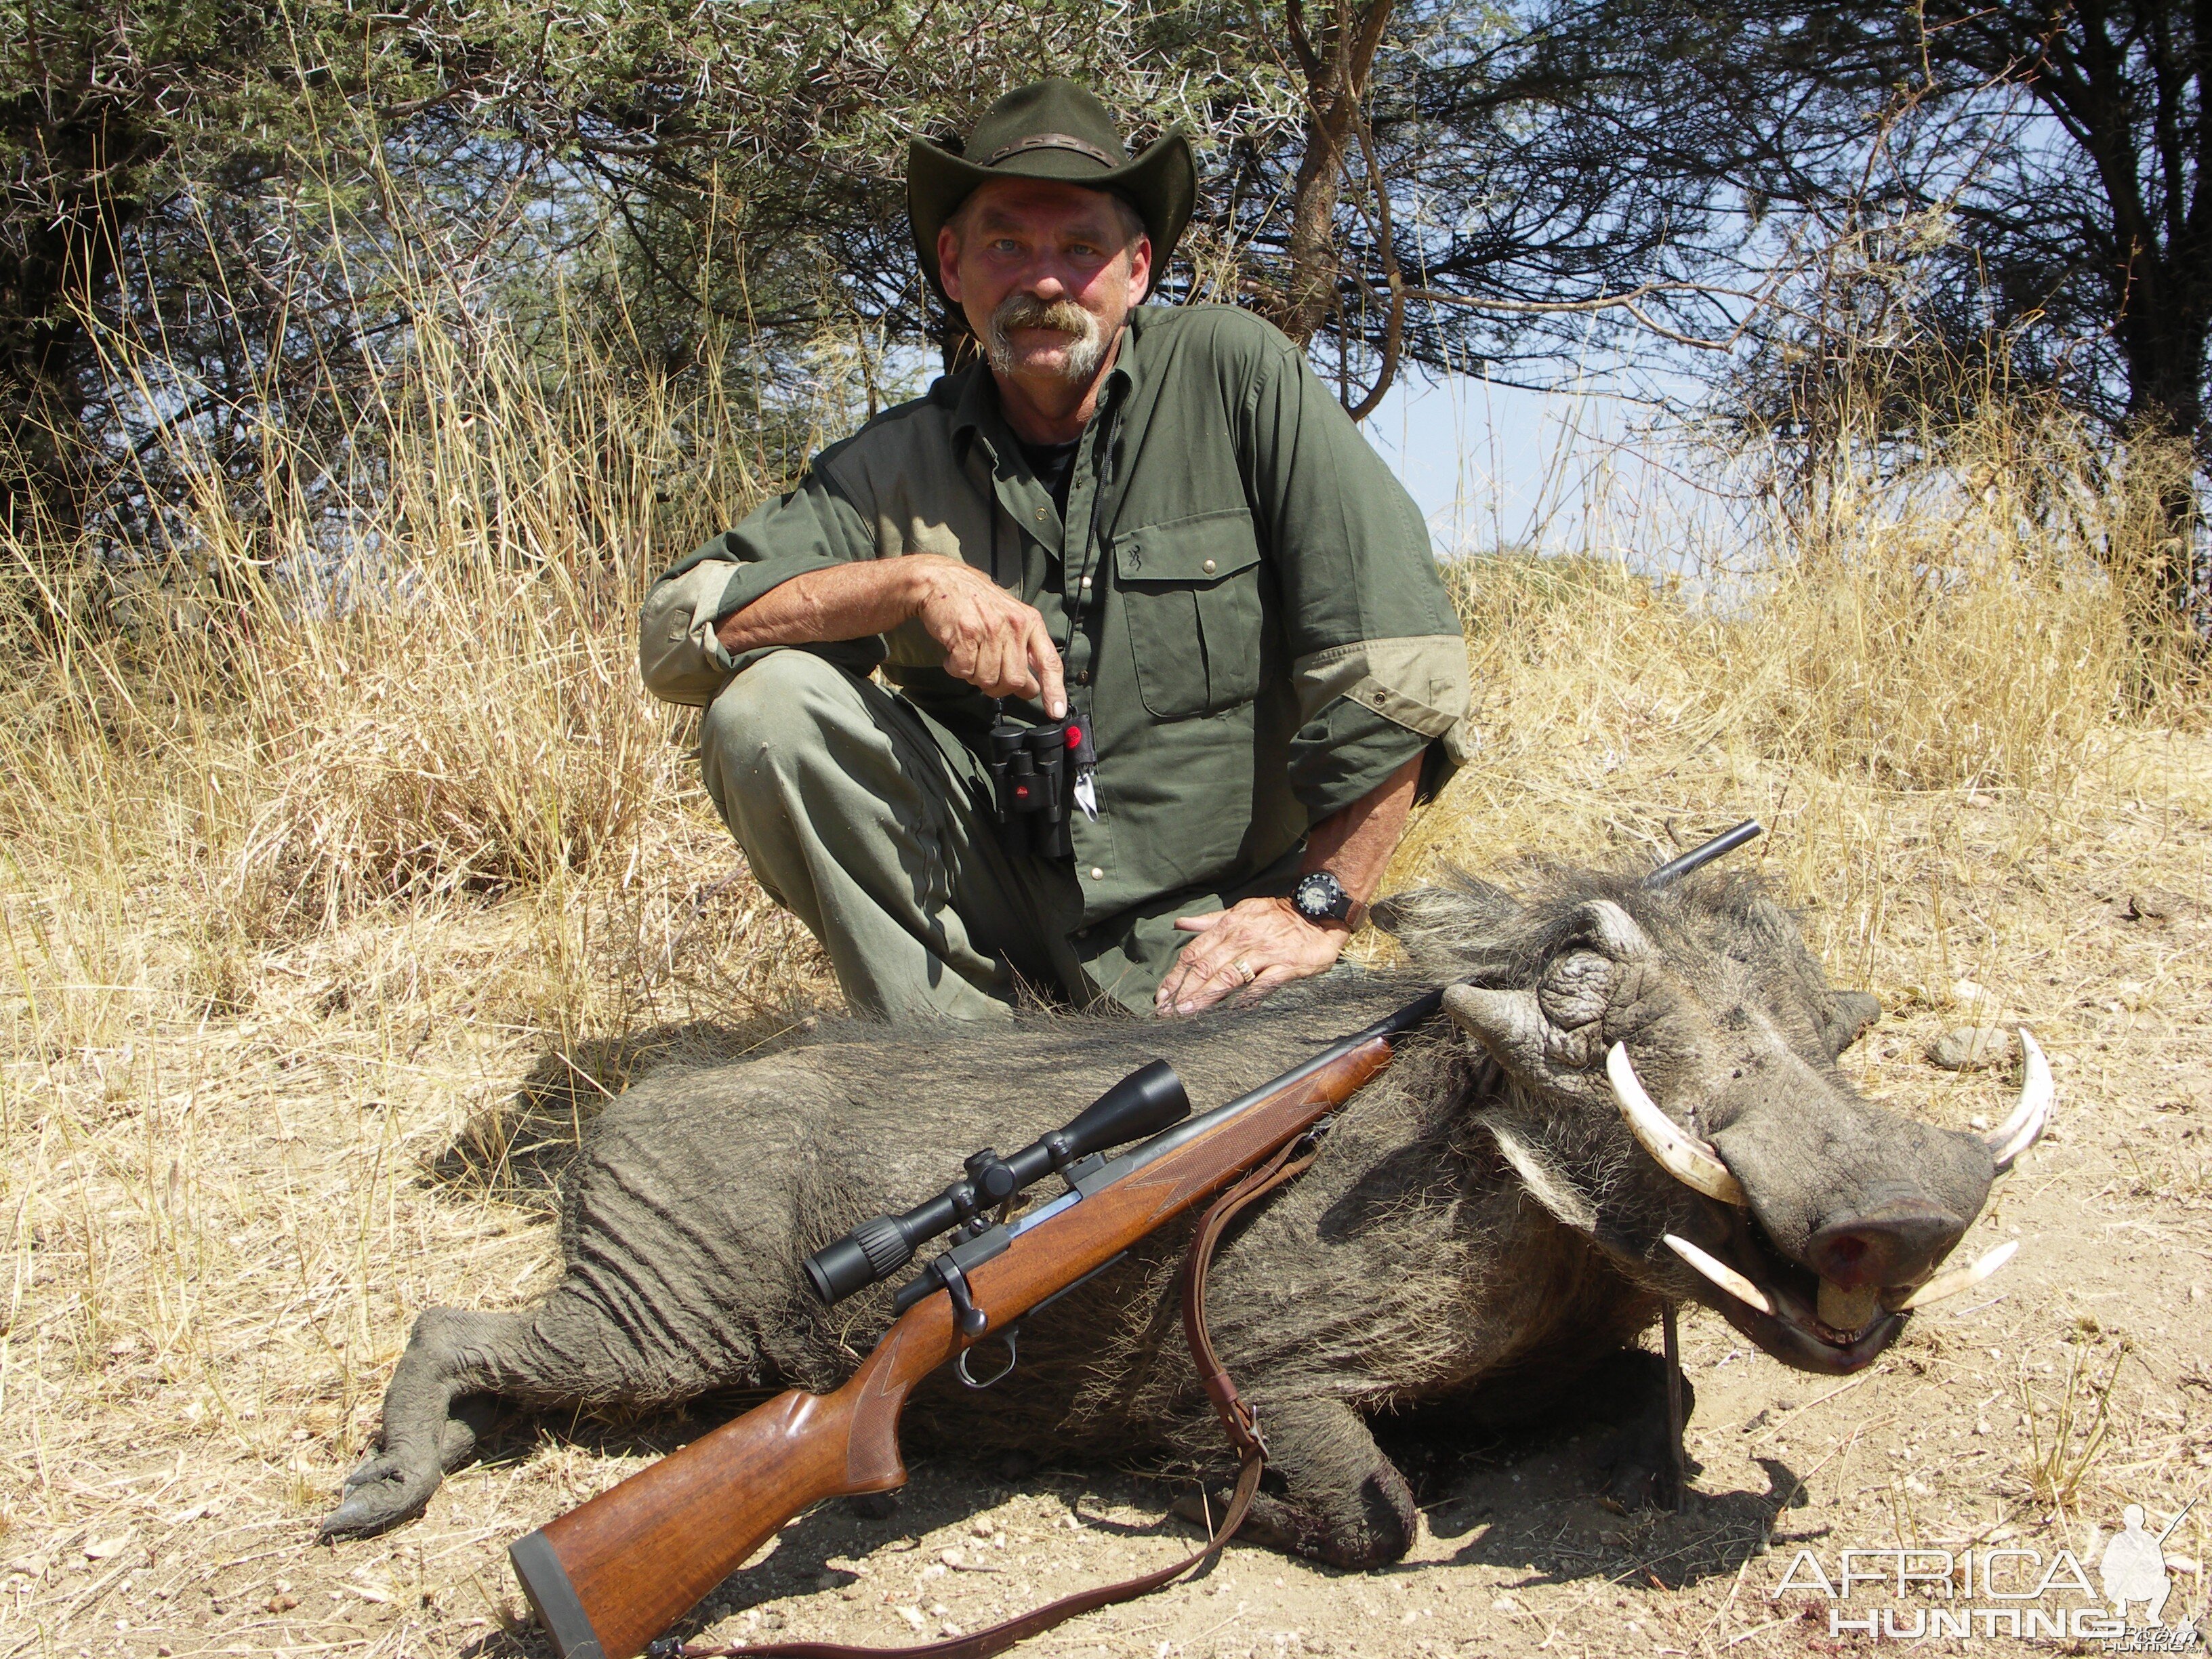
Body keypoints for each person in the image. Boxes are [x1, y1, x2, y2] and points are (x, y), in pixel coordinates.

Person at [638, 78, 1470, 1021]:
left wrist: (1316, 910)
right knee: (767, 708)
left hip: (1209, 940)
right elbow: (676, 632)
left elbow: (1400, 663)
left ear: (1138, 269)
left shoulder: (1239, 376)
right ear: (953, 266)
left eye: (1081, 248)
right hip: (989, 936)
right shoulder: (890, 463)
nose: (1043, 280)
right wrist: (912, 583)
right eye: (1007, 244)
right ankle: (950, 1068)